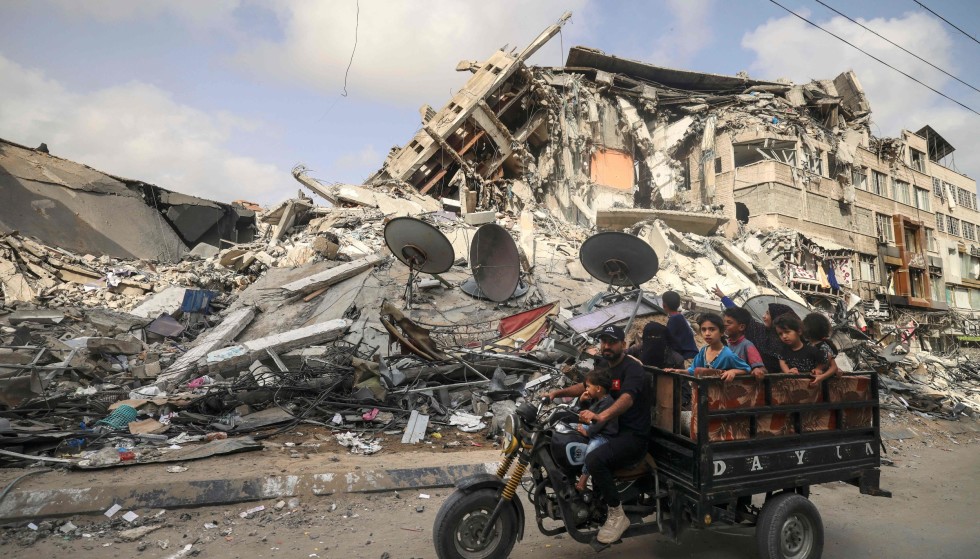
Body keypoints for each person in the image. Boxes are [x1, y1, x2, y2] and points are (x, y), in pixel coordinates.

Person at [547, 324, 652, 544]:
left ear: (623, 344)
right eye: (603, 341)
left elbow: (627, 399)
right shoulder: (604, 364)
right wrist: (558, 393)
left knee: (594, 458)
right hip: (607, 428)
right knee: (558, 428)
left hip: (631, 435)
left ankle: (616, 514)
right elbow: (586, 386)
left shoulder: (633, 370)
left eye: (611, 342)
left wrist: (602, 416)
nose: (606, 346)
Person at [712, 286, 799, 375]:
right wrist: (724, 298)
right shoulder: (759, 331)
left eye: (768, 314)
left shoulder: (791, 340)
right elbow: (741, 316)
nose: (763, 316)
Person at [571, 367, 619, 492]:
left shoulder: (607, 402)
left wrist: (587, 432)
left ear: (598, 388)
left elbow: (599, 423)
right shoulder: (597, 399)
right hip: (595, 429)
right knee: (569, 428)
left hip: (604, 435)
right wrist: (581, 401)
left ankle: (583, 479)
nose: (586, 389)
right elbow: (587, 413)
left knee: (591, 451)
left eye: (588, 386)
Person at [666, 313, 752, 377]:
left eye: (712, 329)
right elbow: (693, 370)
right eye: (704, 330)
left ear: (722, 332)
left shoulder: (727, 354)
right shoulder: (703, 351)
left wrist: (733, 371)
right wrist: (678, 371)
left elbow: (746, 369)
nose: (707, 333)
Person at [774, 314, 831, 379]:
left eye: (787, 332)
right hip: (792, 384)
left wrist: (818, 369)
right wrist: (788, 373)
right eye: (780, 334)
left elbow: (827, 357)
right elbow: (782, 362)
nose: (784, 336)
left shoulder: (811, 349)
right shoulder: (783, 350)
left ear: (799, 331)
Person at [722, 306, 767, 381]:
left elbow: (762, 369)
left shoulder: (747, 345)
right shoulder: (725, 345)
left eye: (729, 323)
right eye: (724, 322)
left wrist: (757, 370)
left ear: (741, 327)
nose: (724, 325)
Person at [802, 312, 840, 385]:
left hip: (821, 383)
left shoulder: (823, 346)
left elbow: (834, 367)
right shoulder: (808, 344)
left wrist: (822, 377)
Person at [662, 291, 699, 365]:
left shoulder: (674, 319)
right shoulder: (680, 317)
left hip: (687, 356)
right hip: (691, 353)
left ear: (664, 305)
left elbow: (668, 339)